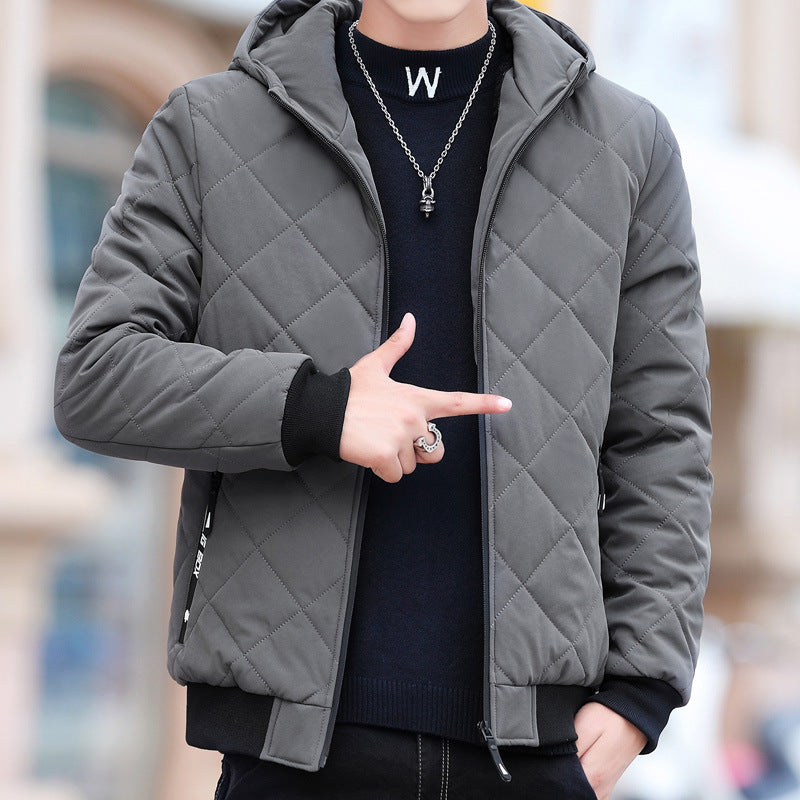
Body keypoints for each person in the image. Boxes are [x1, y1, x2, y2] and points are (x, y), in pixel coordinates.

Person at [52, 0, 714, 797]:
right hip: (292, 755)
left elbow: (663, 435)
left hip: (538, 750)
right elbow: (97, 373)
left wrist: (642, 689)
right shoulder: (210, 125)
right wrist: (317, 408)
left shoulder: (626, 142)